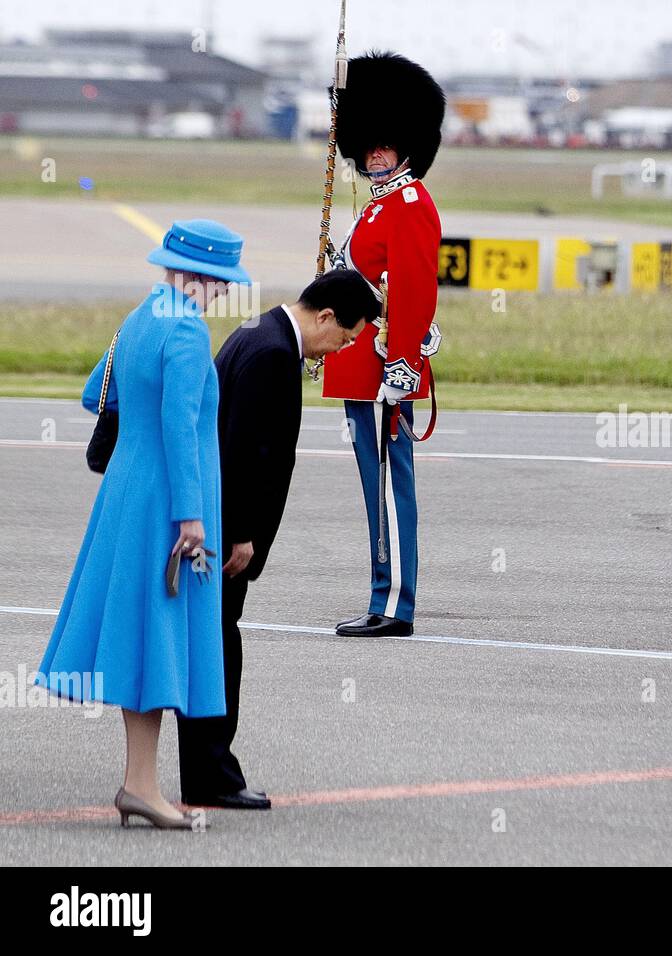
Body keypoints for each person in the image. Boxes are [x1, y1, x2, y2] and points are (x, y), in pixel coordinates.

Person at [33, 219, 250, 829]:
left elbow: (91, 394)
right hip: (167, 506)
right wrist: (193, 519)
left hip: (125, 494)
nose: (225, 293)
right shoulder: (184, 329)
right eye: (222, 282)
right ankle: (142, 785)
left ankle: (141, 784)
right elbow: (181, 428)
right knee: (162, 639)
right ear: (204, 276)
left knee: (143, 639)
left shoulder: (139, 318)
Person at [177, 270, 380, 810]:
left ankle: (207, 771)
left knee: (213, 643)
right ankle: (212, 776)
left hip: (215, 523)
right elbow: (245, 450)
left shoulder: (259, 331)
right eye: (346, 337)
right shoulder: (271, 353)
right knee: (218, 648)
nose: (340, 349)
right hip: (224, 532)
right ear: (326, 317)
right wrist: (243, 533)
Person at [323, 51, 446, 639]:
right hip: (360, 370)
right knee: (376, 491)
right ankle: (383, 595)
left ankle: (395, 603)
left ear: (405, 145)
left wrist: (403, 362)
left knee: (390, 492)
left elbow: (416, 290)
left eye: (384, 145)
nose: (374, 154)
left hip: (381, 371)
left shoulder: (408, 204)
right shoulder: (377, 206)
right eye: (367, 144)